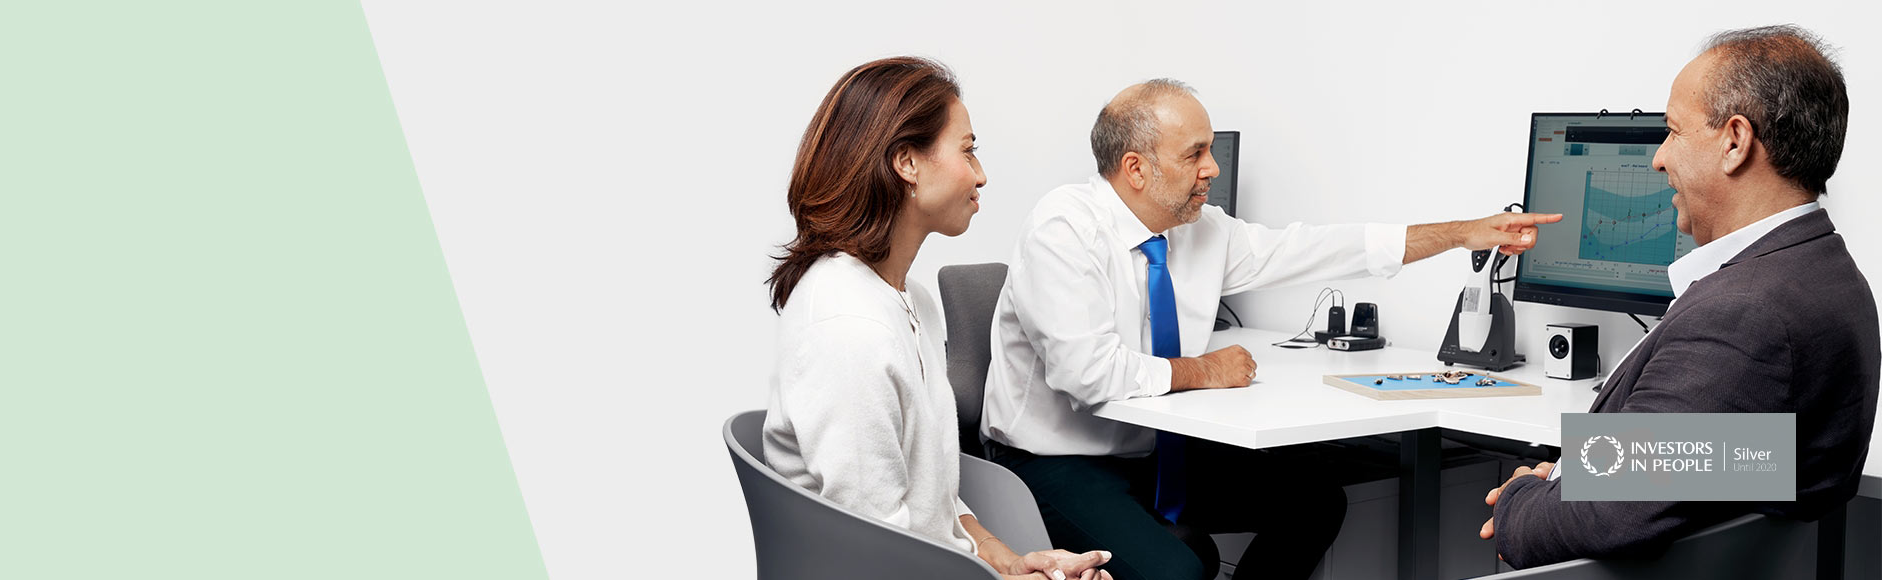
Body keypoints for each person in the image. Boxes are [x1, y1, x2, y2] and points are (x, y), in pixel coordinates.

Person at [979, 78, 1563, 580]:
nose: (1212, 169)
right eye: (1195, 154)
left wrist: (1462, 233)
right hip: (1051, 458)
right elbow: (1085, 374)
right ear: (1136, 168)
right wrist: (1205, 370)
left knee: (1315, 502)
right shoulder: (1062, 230)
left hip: (1149, 451)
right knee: (1178, 570)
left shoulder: (1202, 230)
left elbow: (1318, 248)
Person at [1480, 25, 1879, 568]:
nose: (1658, 159)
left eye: (1672, 132)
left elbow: (1607, 518)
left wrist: (1524, 498)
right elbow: (1735, 461)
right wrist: (1593, 470)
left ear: (1734, 142)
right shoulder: (1826, 275)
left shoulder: (1747, 313)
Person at [763, 56, 1113, 580]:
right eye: (968, 151)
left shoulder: (911, 300)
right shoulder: (848, 327)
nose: (981, 174)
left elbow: (933, 504)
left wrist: (1013, 565)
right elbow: (877, 552)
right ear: (907, 163)